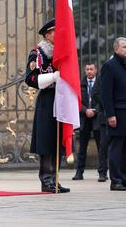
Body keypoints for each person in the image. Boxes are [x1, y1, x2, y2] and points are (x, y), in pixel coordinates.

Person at [24, 19, 70, 193]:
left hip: (62, 99)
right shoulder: (37, 53)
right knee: (46, 141)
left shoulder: (63, 53)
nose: (58, 35)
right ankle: (47, 180)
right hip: (48, 98)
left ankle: (56, 179)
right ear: (48, 35)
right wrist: (53, 77)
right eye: (54, 32)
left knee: (58, 140)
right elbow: (30, 78)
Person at [101, 37, 126, 191]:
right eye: (124, 47)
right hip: (117, 114)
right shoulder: (109, 66)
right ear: (116, 49)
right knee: (116, 148)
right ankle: (115, 180)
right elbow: (106, 94)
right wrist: (110, 114)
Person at [73, 63, 102, 181]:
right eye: (87, 69)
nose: (89, 71)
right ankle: (79, 172)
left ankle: (102, 172)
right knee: (82, 147)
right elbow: (76, 100)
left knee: (101, 147)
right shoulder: (80, 83)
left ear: (96, 70)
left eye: (91, 69)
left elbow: (104, 99)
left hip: (97, 118)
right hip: (84, 118)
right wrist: (85, 110)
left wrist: (95, 110)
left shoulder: (101, 83)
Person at [91, 68, 109, 182]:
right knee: (104, 146)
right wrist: (107, 104)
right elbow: (95, 93)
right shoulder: (103, 75)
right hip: (105, 115)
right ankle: (102, 172)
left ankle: (121, 173)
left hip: (121, 115)